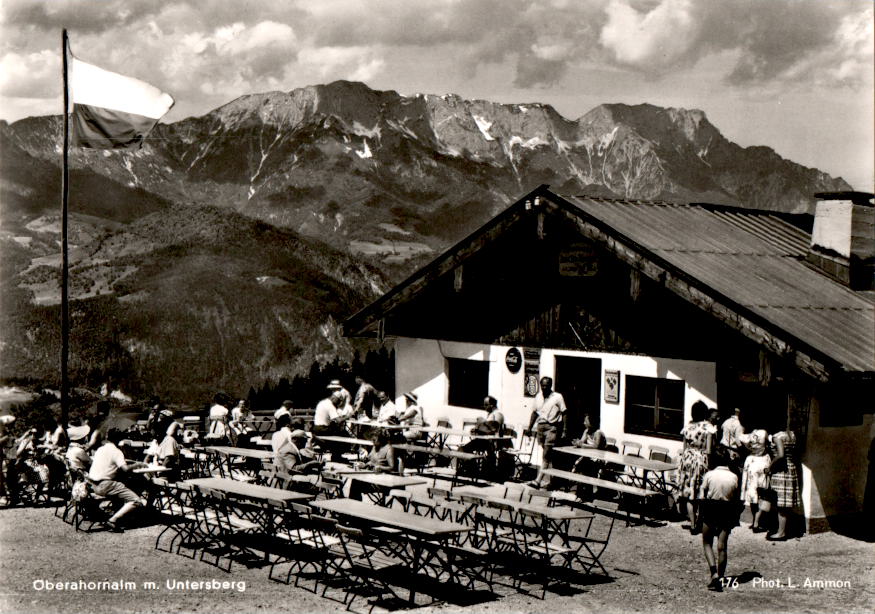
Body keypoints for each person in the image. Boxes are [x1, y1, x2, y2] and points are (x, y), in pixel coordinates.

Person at [698, 446, 741, 592]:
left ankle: (714, 574)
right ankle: (721, 578)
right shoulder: (734, 477)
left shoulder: (709, 475)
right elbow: (736, 497)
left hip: (711, 508)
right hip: (727, 510)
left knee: (707, 542)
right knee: (722, 546)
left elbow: (702, 494)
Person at [88, 428, 147, 531]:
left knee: (122, 486)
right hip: (105, 485)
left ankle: (120, 513)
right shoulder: (116, 451)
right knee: (137, 500)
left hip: (93, 484)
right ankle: (113, 520)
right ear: (120, 439)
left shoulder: (100, 449)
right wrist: (138, 464)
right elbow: (126, 469)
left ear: (107, 437)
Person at [676, 400, 716, 534]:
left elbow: (684, 448)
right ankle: (700, 522)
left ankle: (693, 525)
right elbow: (709, 450)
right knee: (701, 492)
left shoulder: (687, 427)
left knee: (690, 493)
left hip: (687, 459)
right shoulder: (708, 427)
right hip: (701, 459)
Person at [526, 376, 567, 489]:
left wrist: (564, 429)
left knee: (546, 455)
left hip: (552, 427)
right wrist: (530, 427)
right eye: (543, 385)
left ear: (551, 385)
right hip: (540, 427)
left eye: (547, 385)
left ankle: (538, 481)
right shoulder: (538, 397)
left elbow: (564, 412)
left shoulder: (557, 397)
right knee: (548, 455)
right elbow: (535, 413)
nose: (544, 387)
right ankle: (554, 481)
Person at [765, 424, 799, 541]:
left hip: (781, 470)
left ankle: (781, 532)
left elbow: (780, 454)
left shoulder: (777, 437)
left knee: (780, 503)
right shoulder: (791, 435)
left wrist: (769, 467)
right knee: (785, 503)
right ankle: (783, 529)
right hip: (791, 468)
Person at [739, 418, 770, 533]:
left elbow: (740, 439)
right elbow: (770, 443)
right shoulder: (764, 433)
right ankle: (757, 521)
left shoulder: (749, 436)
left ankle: (754, 521)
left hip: (751, 460)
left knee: (752, 493)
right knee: (762, 491)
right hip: (762, 461)